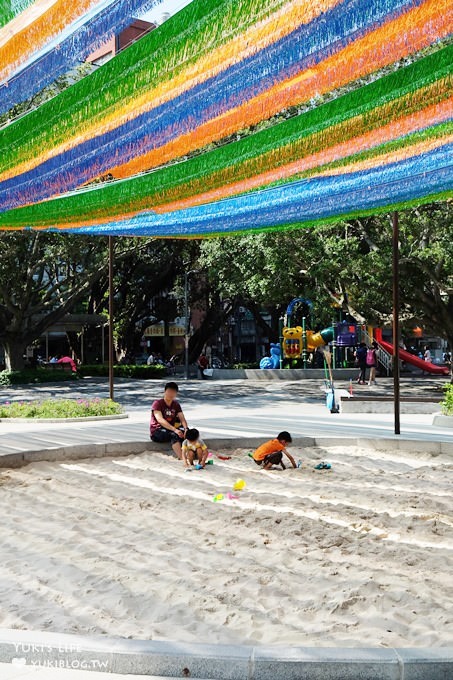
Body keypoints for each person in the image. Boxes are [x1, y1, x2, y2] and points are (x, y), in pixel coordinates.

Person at [150, 382, 188, 459]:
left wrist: (186, 428)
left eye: (173, 392)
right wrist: (175, 430)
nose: (171, 394)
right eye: (169, 391)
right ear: (165, 391)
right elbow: (160, 420)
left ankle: (192, 454)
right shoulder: (157, 403)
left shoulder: (176, 404)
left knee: (189, 433)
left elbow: (182, 418)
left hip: (171, 429)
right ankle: (182, 458)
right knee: (174, 435)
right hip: (157, 431)